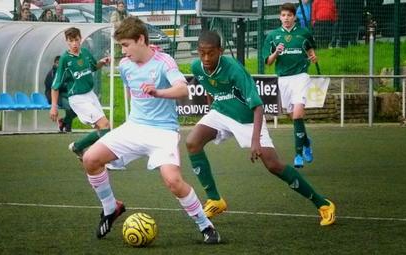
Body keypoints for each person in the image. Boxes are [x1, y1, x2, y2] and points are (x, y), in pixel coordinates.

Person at [80, 16, 221, 243]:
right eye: (121, 46)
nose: (123, 52)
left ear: (141, 39)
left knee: (173, 181)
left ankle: (206, 227)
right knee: (90, 159)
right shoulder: (126, 66)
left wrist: (158, 92)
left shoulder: (164, 62)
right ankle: (111, 208)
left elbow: (182, 90)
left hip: (163, 132)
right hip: (134, 127)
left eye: (126, 45)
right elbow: (131, 92)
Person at [186, 30, 336, 227]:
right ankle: (215, 200)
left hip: (248, 118)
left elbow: (258, 106)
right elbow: (209, 86)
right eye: (201, 53)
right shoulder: (197, 67)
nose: (205, 58)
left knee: (273, 165)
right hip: (221, 112)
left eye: (211, 53)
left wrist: (255, 140)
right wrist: (210, 108)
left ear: (220, 51)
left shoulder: (233, 69)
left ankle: (323, 204)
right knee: (192, 142)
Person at [263, 3, 316, 168]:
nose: (286, 18)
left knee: (298, 114)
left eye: (289, 15)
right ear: (280, 17)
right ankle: (306, 141)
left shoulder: (304, 33)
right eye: (283, 15)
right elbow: (268, 62)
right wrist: (276, 53)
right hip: (283, 79)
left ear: (294, 17)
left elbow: (311, 51)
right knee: (291, 115)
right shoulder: (273, 36)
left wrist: (313, 57)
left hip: (301, 77)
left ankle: (298, 155)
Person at [49, 27, 111, 158]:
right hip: (77, 98)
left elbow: (94, 67)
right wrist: (54, 107)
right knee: (104, 124)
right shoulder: (65, 59)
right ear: (66, 41)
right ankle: (108, 160)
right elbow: (55, 86)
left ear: (81, 39)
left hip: (90, 95)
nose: (74, 44)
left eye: (76, 40)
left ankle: (78, 147)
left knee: (104, 127)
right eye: (71, 41)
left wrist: (101, 62)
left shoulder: (85, 53)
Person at [44, 56, 76, 132]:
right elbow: (54, 88)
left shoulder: (65, 72)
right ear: (54, 63)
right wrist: (64, 85)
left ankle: (64, 121)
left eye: (61, 63)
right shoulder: (51, 73)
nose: (59, 65)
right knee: (69, 107)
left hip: (64, 94)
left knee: (77, 107)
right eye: (57, 63)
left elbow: (69, 84)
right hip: (54, 96)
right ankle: (67, 126)